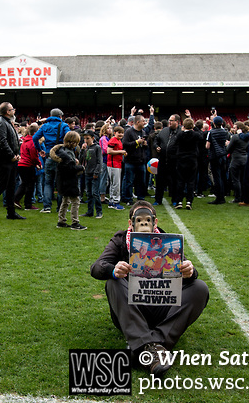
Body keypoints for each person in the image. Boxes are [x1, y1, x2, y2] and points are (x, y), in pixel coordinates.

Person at [90, 201, 209, 376]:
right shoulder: (120, 240)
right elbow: (96, 267)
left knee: (200, 288)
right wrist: (113, 270)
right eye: (140, 220)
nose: (144, 224)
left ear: (155, 222)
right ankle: (153, 349)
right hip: (133, 309)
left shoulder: (169, 242)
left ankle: (143, 346)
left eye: (148, 220)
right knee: (113, 282)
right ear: (131, 222)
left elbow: (188, 271)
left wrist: (190, 271)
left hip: (163, 307)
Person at [32, 108, 70, 213]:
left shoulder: (45, 126)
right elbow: (69, 138)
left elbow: (35, 138)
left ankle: (47, 207)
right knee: (60, 183)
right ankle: (60, 208)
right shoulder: (63, 126)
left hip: (49, 156)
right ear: (60, 116)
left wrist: (40, 150)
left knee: (48, 182)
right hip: (60, 156)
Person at [51, 131, 86, 230]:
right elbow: (70, 169)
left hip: (62, 181)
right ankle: (75, 222)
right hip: (69, 181)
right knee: (75, 201)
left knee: (65, 200)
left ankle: (61, 220)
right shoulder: (67, 155)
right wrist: (81, 168)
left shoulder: (62, 151)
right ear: (73, 143)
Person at [121, 107, 155, 205]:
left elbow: (145, 146)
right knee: (129, 181)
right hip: (130, 161)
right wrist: (137, 142)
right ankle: (128, 199)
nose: (145, 123)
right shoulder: (129, 132)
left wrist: (145, 145)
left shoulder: (143, 132)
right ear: (137, 122)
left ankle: (141, 197)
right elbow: (125, 144)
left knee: (141, 181)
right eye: (143, 121)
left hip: (141, 161)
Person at [174, 118, 204, 210]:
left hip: (181, 160)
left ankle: (179, 201)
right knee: (191, 182)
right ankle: (189, 201)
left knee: (180, 181)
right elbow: (202, 137)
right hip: (192, 160)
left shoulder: (180, 135)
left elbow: (175, 144)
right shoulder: (196, 135)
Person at [153, 114, 180, 206]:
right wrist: (156, 146)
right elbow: (156, 140)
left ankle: (175, 199)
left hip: (174, 161)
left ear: (177, 122)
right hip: (163, 159)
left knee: (174, 181)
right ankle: (158, 199)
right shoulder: (164, 131)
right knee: (159, 181)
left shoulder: (180, 132)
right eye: (169, 120)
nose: (169, 122)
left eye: (171, 120)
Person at [14, 123, 42, 210]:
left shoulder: (25, 141)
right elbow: (33, 156)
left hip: (21, 164)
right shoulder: (32, 142)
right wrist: (38, 164)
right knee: (30, 185)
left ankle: (17, 200)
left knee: (25, 183)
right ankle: (27, 204)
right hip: (28, 165)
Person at [205, 116, 229, 204]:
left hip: (214, 156)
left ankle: (219, 197)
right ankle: (223, 195)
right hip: (223, 155)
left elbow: (207, 146)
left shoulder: (211, 132)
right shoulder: (225, 132)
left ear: (214, 123)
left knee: (217, 177)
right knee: (222, 176)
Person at [80, 129, 103, 218]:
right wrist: (82, 150)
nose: (86, 141)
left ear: (92, 138)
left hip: (94, 173)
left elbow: (99, 162)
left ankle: (99, 211)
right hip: (87, 172)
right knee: (89, 193)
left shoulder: (97, 148)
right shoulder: (86, 148)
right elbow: (81, 159)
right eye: (85, 139)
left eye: (87, 138)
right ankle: (90, 211)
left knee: (95, 193)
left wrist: (96, 172)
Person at [106, 125, 127, 210]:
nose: (121, 134)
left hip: (116, 164)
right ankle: (115, 202)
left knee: (113, 184)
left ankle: (111, 201)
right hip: (113, 164)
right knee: (116, 184)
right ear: (115, 133)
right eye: (119, 133)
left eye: (122, 133)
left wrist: (122, 153)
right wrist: (121, 151)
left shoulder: (118, 140)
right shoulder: (113, 140)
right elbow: (109, 151)